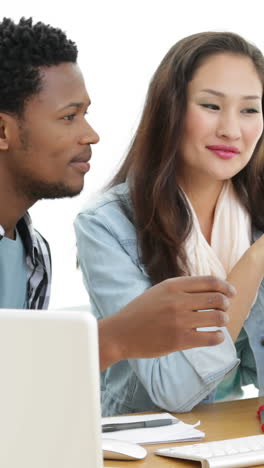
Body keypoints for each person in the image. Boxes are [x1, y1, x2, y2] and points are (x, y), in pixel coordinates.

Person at [0, 17, 234, 374]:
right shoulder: (103, 225)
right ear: (4, 131)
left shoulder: (33, 254)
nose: (90, 135)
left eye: (85, 114)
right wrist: (114, 339)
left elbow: (20, 388)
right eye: (68, 117)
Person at [74, 31, 264, 416]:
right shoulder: (107, 226)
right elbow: (173, 389)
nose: (231, 129)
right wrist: (255, 262)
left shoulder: (254, 213)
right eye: (211, 105)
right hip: (141, 445)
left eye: (249, 110)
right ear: (171, 110)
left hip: (232, 437)